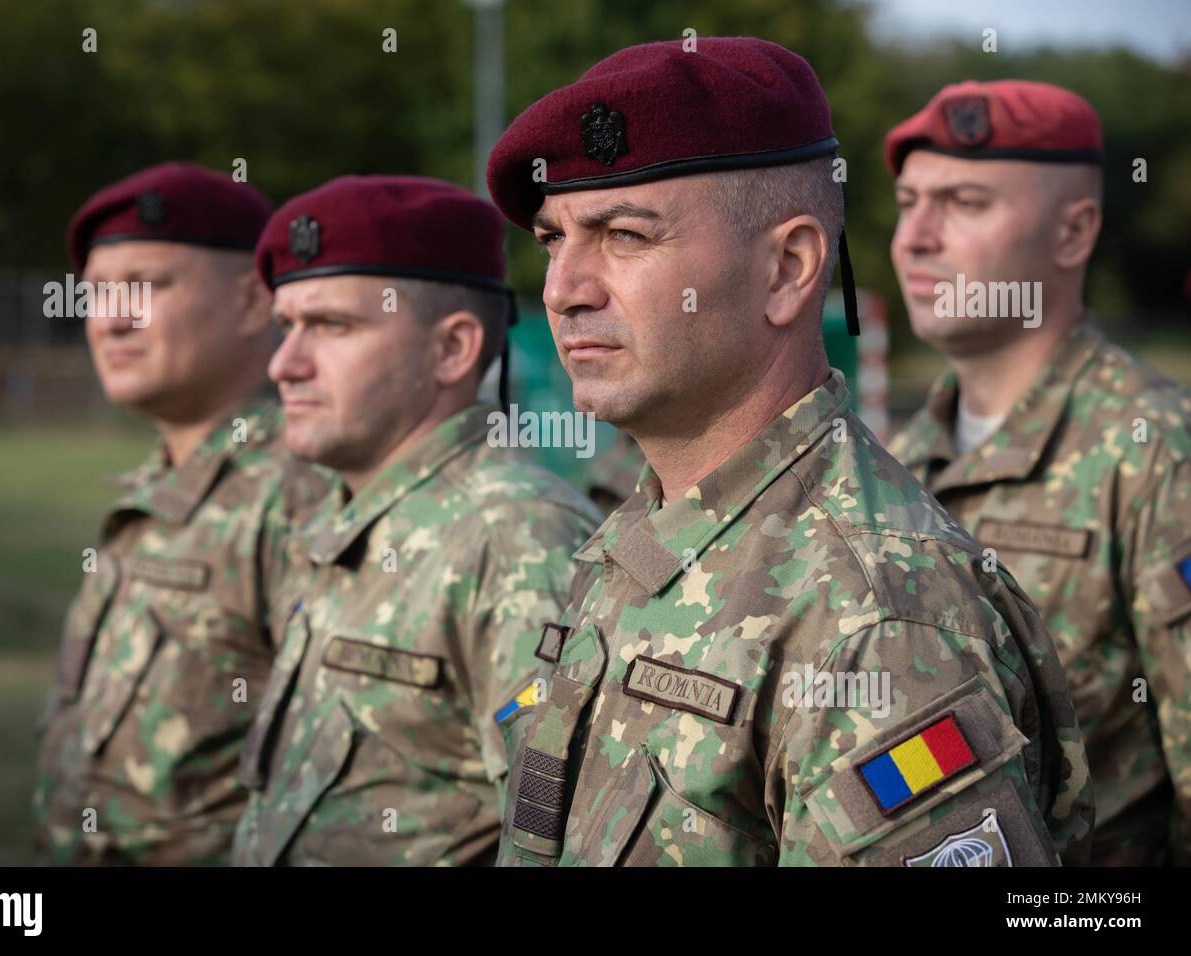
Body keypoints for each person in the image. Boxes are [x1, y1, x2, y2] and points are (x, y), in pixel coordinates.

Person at [484, 38, 1093, 866]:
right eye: (555, 239)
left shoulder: (874, 619)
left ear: (788, 268)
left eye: (623, 235)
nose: (563, 288)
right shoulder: (647, 529)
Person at [231, 175, 602, 865]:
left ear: (452, 349)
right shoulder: (342, 520)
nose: (285, 364)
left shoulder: (516, 536)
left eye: (331, 326)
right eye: (287, 328)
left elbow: (554, 843)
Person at [885, 80, 1191, 865]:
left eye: (964, 202)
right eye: (908, 200)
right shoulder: (893, 459)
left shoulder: (1157, 451)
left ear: (1073, 231)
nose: (915, 236)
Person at [34, 162, 332, 864]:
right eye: (98, 294)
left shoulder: (300, 494)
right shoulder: (160, 484)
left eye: (148, 286)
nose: (113, 319)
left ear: (255, 302)